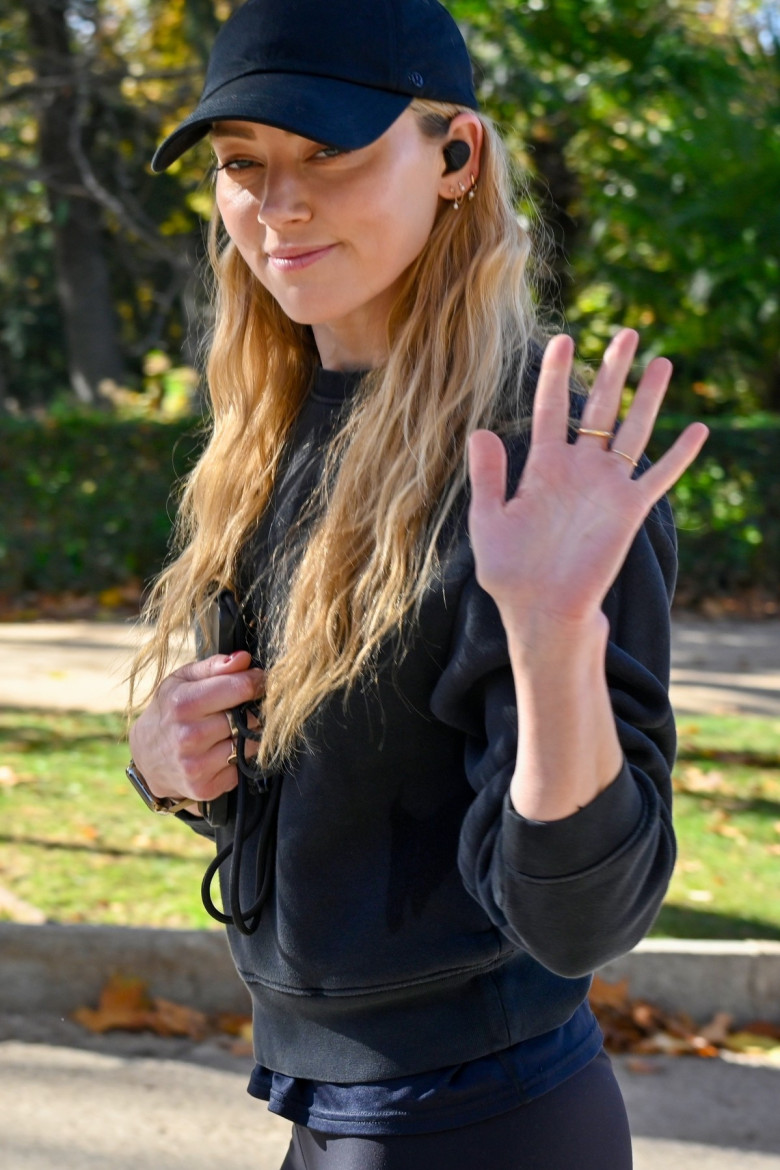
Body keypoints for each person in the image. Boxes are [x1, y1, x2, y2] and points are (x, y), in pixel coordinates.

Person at [126, 1, 708, 1166]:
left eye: (328, 153)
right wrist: (169, 764)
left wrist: (551, 641)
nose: (276, 204)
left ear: (456, 156)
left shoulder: (546, 460)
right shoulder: (273, 428)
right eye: (244, 163)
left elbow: (581, 916)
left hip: (479, 1121)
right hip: (321, 1111)